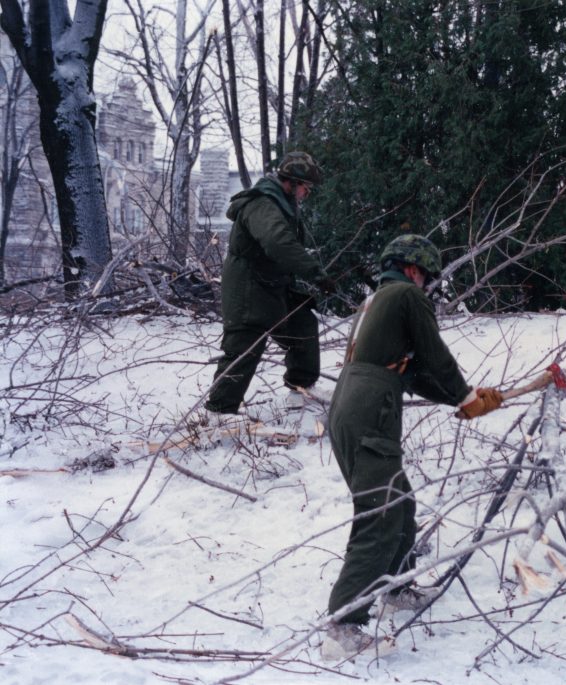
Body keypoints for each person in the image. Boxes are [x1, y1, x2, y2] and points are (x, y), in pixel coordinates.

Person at [321, 234, 503, 659]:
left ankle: (395, 589)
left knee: (399, 504)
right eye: (427, 278)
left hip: (352, 405)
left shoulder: (377, 302)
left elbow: (413, 373)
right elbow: (434, 354)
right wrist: (464, 395)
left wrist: (466, 398)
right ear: (414, 269)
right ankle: (343, 625)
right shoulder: (407, 296)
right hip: (370, 412)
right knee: (381, 515)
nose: (427, 287)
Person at [204, 151, 334, 418]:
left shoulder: (279, 203)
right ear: (292, 182)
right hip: (247, 291)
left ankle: (300, 391)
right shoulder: (262, 205)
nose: (306, 194)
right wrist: (316, 274)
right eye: (306, 188)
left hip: (272, 288)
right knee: (243, 350)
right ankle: (218, 413)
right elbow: (278, 243)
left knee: (302, 326)